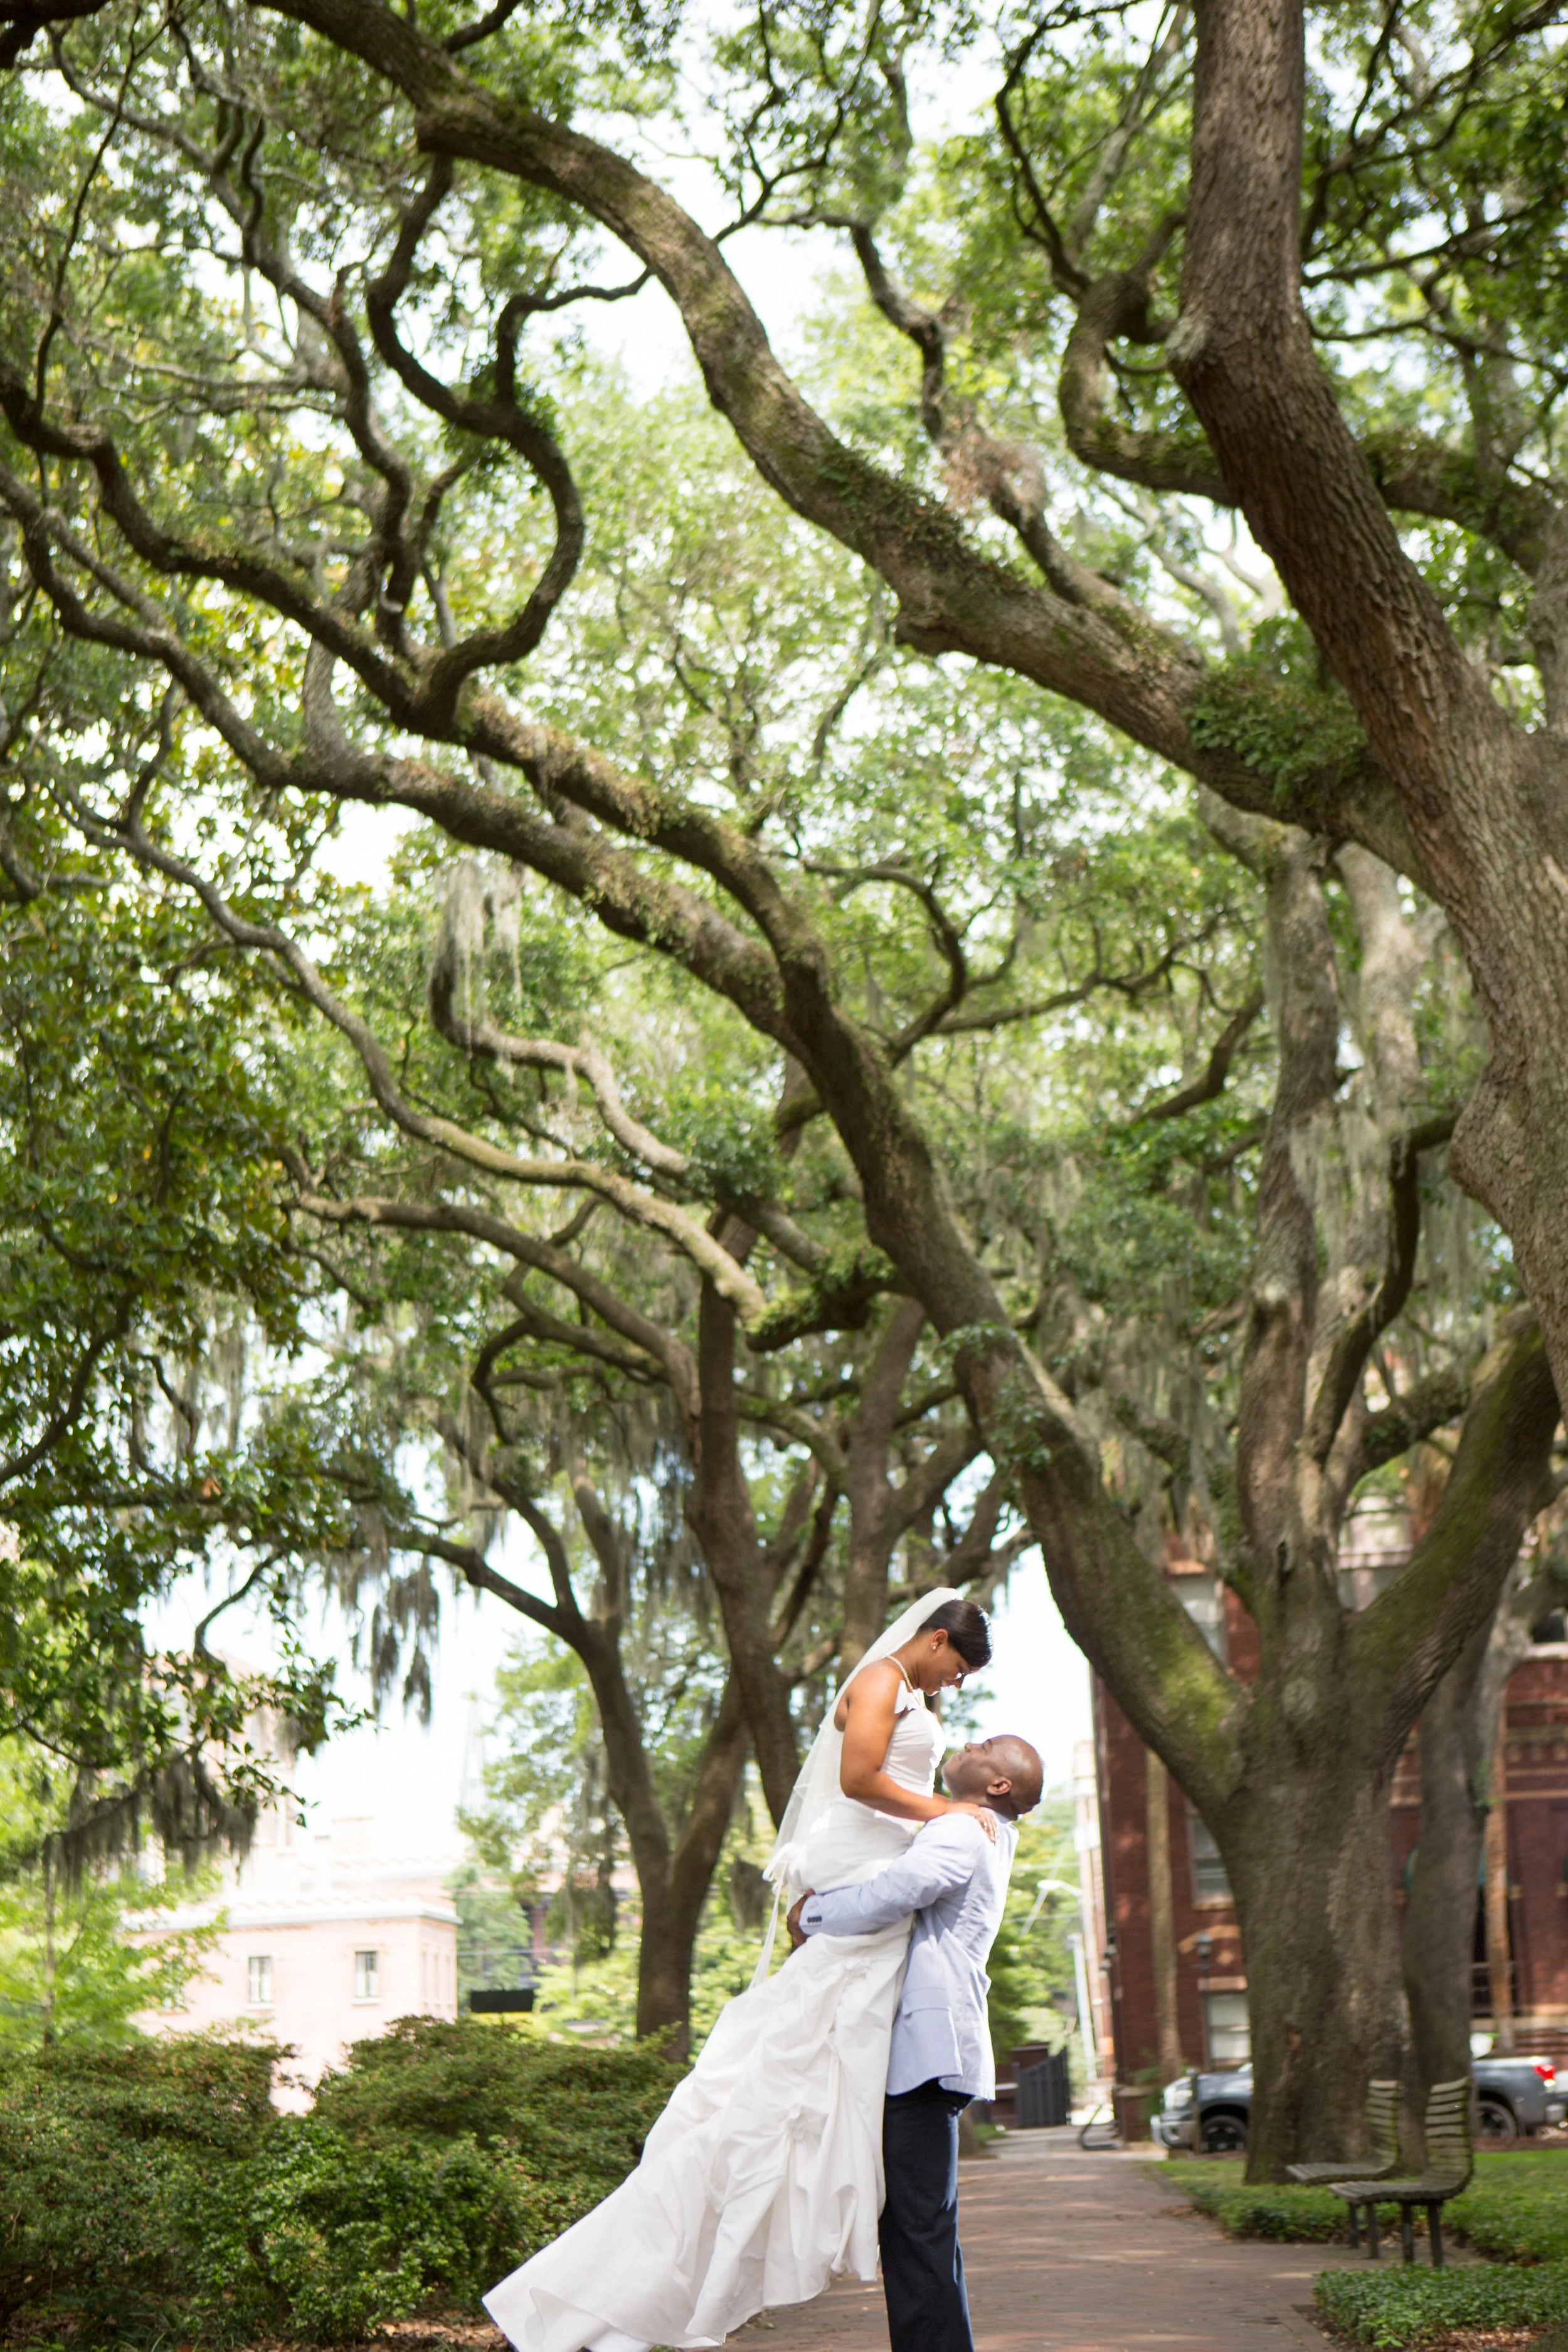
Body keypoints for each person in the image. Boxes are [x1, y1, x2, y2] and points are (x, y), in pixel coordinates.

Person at [483, 1587, 995, 2352]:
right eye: (957, 1669)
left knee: (808, 2083)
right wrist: (943, 1813)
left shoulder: (896, 1688)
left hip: (871, 1870)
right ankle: (655, 2271)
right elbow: (857, 1782)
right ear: (934, 1641)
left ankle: (795, 2209)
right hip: (867, 1868)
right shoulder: (886, 1680)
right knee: (777, 2094)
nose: (953, 1685)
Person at [787, 1730, 1045, 2352]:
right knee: (916, 2232)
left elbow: (897, 1892)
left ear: (998, 1784)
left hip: (925, 2058)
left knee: (918, 2233)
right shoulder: (977, 1828)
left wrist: (811, 1914)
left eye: (984, 1744)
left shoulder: (965, 1829)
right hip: (927, 2056)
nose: (967, 1740)